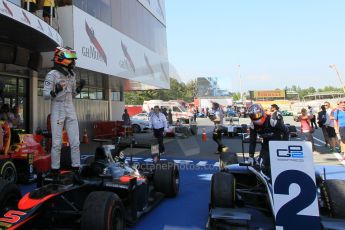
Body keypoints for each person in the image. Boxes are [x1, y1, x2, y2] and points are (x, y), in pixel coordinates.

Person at [43, 46, 85, 184]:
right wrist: (55, 90)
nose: (74, 62)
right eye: (71, 59)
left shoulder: (72, 74)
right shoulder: (52, 74)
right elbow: (45, 95)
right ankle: (55, 172)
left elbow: (73, 94)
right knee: (56, 143)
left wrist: (79, 88)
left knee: (75, 141)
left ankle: (76, 170)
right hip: (57, 107)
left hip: (69, 106)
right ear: (62, 59)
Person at [248, 103, 289, 171]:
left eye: (257, 114)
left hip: (278, 145)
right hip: (266, 145)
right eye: (253, 116)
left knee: (280, 166)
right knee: (260, 165)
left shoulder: (272, 121)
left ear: (262, 112)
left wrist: (285, 145)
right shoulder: (253, 125)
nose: (256, 117)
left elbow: (286, 131)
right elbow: (252, 141)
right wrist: (251, 156)